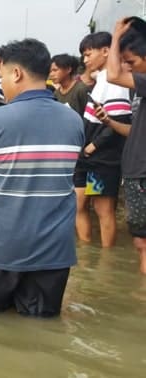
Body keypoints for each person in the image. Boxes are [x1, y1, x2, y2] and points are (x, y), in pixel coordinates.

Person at [0, 39, 84, 317]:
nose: (0, 84)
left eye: (1, 75)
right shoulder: (73, 120)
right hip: (54, 253)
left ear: (16, 74)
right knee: (42, 332)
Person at [75, 31, 131, 248]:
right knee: (78, 204)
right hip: (87, 156)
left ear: (106, 51)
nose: (85, 60)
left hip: (101, 157)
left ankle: (106, 259)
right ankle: (86, 251)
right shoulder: (101, 79)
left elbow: (117, 122)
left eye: (89, 54)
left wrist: (92, 146)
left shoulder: (115, 82)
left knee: (103, 209)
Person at [104, 16, 146, 273]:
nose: (127, 68)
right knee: (141, 241)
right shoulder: (140, 89)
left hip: (142, 175)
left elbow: (112, 75)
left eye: (131, 62)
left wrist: (116, 35)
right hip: (136, 173)